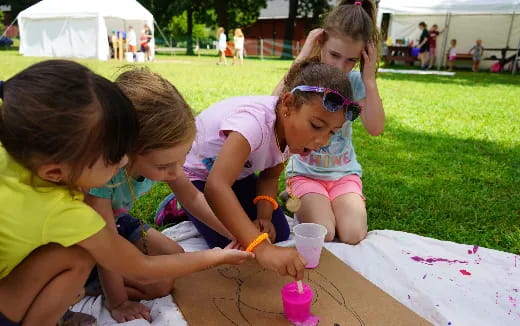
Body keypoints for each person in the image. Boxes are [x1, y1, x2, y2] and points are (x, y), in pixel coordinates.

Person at [0, 60, 253, 326]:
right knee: (82, 257)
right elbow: (139, 268)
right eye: (113, 158)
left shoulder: (21, 151)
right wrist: (214, 257)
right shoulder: (70, 212)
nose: (122, 162)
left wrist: (236, 232)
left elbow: (190, 197)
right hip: (20, 286)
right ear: (54, 171)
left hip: (88, 235)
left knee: (164, 257)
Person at [182, 58, 357, 280]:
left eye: (332, 132)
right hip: (197, 177)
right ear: (287, 104)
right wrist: (261, 248)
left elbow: (269, 177)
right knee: (233, 245)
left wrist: (263, 216)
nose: (323, 141)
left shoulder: (294, 136)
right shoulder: (253, 124)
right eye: (317, 126)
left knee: (278, 231)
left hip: (239, 174)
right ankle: (179, 204)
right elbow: (216, 186)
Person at [86, 68, 238, 323]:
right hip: (88, 238)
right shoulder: (102, 174)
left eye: (182, 158)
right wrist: (118, 302)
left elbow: (192, 198)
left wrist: (235, 232)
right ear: (128, 151)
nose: (175, 172)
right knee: (159, 285)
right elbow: (106, 244)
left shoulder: (166, 157)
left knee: (175, 253)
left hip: (118, 222)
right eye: (164, 166)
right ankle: (87, 281)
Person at [273, 0, 384, 245]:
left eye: (350, 60)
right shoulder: (308, 75)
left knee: (353, 235)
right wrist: (301, 58)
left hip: (344, 175)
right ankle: (295, 194)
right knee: (325, 232)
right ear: (321, 43)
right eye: (334, 55)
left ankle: (315, 200)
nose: (340, 66)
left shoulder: (355, 82)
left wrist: (369, 79)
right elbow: (271, 106)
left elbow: (375, 128)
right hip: (305, 174)